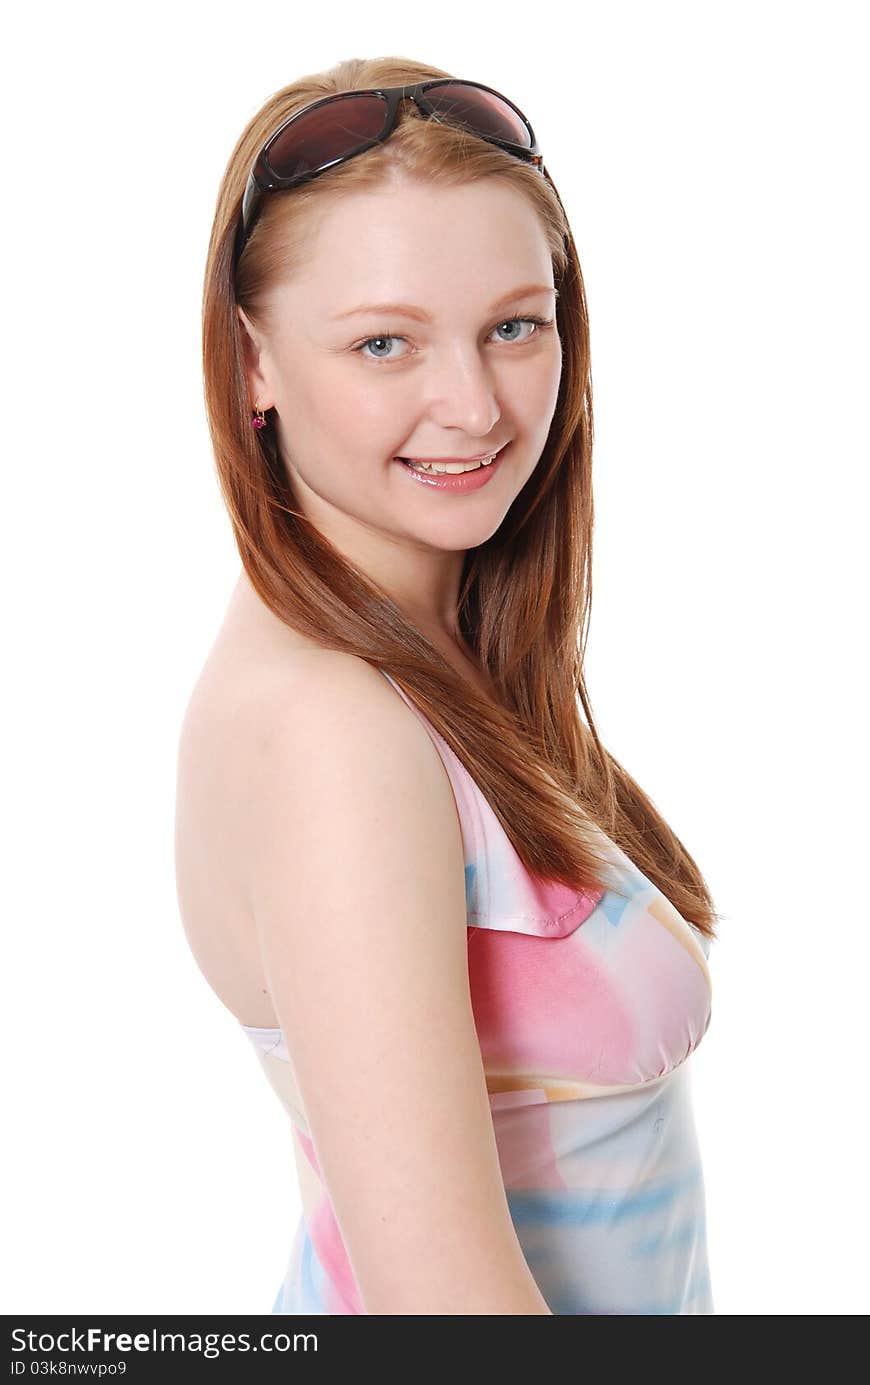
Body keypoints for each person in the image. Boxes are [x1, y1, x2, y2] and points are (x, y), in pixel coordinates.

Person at [174, 54, 721, 1316]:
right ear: (251, 362)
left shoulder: (438, 665)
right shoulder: (335, 732)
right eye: (383, 342)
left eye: (514, 325)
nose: (473, 406)